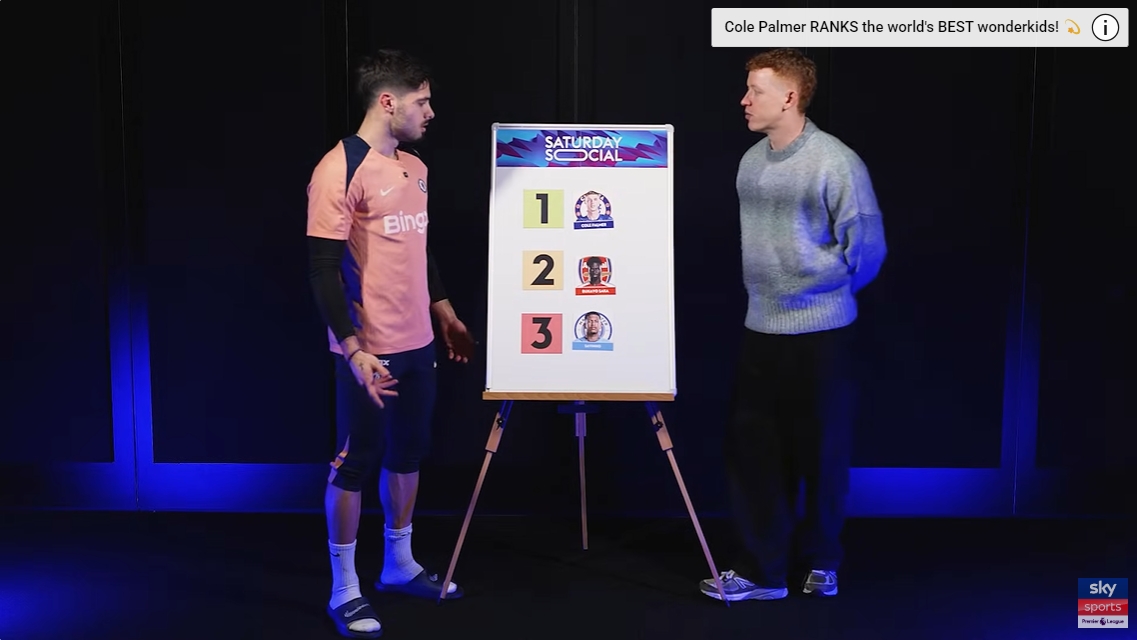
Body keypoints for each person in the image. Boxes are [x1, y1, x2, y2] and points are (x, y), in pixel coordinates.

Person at [700, 48, 887, 603]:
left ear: (789, 96)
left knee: (823, 452)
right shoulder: (750, 163)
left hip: (823, 335)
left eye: (755, 90)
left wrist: (825, 296)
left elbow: (869, 250)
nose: (744, 100)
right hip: (761, 331)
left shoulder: (835, 162)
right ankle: (763, 571)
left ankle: (823, 561)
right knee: (755, 453)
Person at [306, 49, 476, 638]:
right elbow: (322, 270)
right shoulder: (339, 168)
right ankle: (344, 589)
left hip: (418, 341)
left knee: (409, 452)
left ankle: (398, 565)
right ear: (388, 102)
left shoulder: (415, 167)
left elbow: (419, 248)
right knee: (355, 463)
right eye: (421, 101)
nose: (430, 112)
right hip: (368, 349)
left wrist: (444, 311)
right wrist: (353, 349)